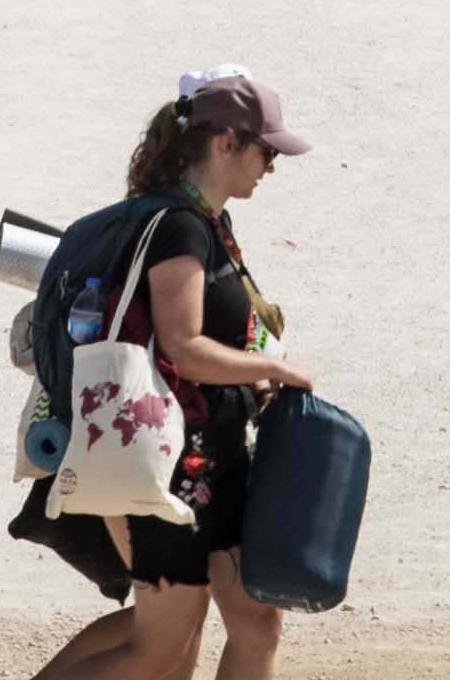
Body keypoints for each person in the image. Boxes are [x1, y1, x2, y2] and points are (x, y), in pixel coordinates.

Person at [20, 71, 315, 680]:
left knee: (256, 623)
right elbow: (184, 347)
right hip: (167, 471)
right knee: (159, 648)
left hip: (217, 460)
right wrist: (273, 368)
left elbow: (216, 338)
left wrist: (256, 377)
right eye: (267, 151)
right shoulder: (180, 227)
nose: (272, 166)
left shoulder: (208, 223)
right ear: (226, 143)